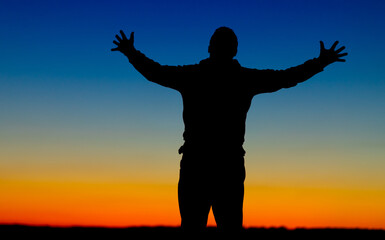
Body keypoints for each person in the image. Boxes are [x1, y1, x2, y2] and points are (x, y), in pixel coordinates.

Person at [111, 27, 347, 232]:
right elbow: (287, 77)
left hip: (203, 164)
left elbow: (155, 72)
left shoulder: (196, 76)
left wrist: (131, 52)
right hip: (220, 165)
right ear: (233, 51)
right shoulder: (239, 78)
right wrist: (320, 63)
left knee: (202, 229)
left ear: (210, 48)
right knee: (224, 230)